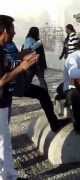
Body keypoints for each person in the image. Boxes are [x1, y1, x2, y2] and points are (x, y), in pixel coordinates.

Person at [0, 14, 38, 180]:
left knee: (4, 142)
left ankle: (8, 175)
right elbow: (1, 80)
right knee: (3, 142)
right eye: (12, 30)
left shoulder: (3, 50)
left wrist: (22, 60)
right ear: (4, 31)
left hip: (4, 101)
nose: (15, 33)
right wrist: (21, 68)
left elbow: (6, 69)